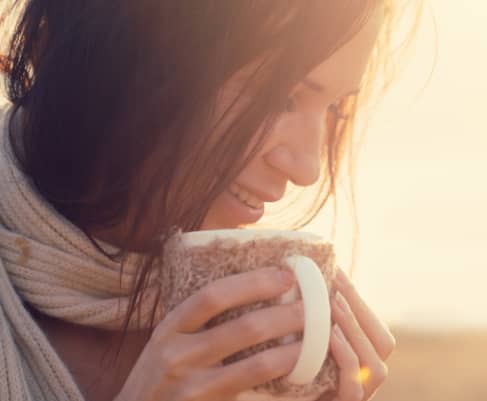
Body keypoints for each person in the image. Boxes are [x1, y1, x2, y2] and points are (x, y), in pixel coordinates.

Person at [0, 1, 415, 400]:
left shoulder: (251, 342)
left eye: (335, 109)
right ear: (131, 49)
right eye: (280, 98)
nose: (308, 169)